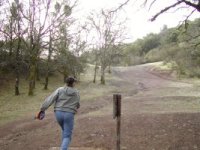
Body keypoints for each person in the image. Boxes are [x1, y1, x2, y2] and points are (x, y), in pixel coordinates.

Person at [39, 76, 80, 150]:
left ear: (66, 82)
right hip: (69, 114)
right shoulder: (76, 92)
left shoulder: (59, 90)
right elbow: (77, 104)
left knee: (65, 131)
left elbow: (50, 99)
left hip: (58, 113)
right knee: (67, 136)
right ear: (73, 83)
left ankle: (64, 147)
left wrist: (42, 109)